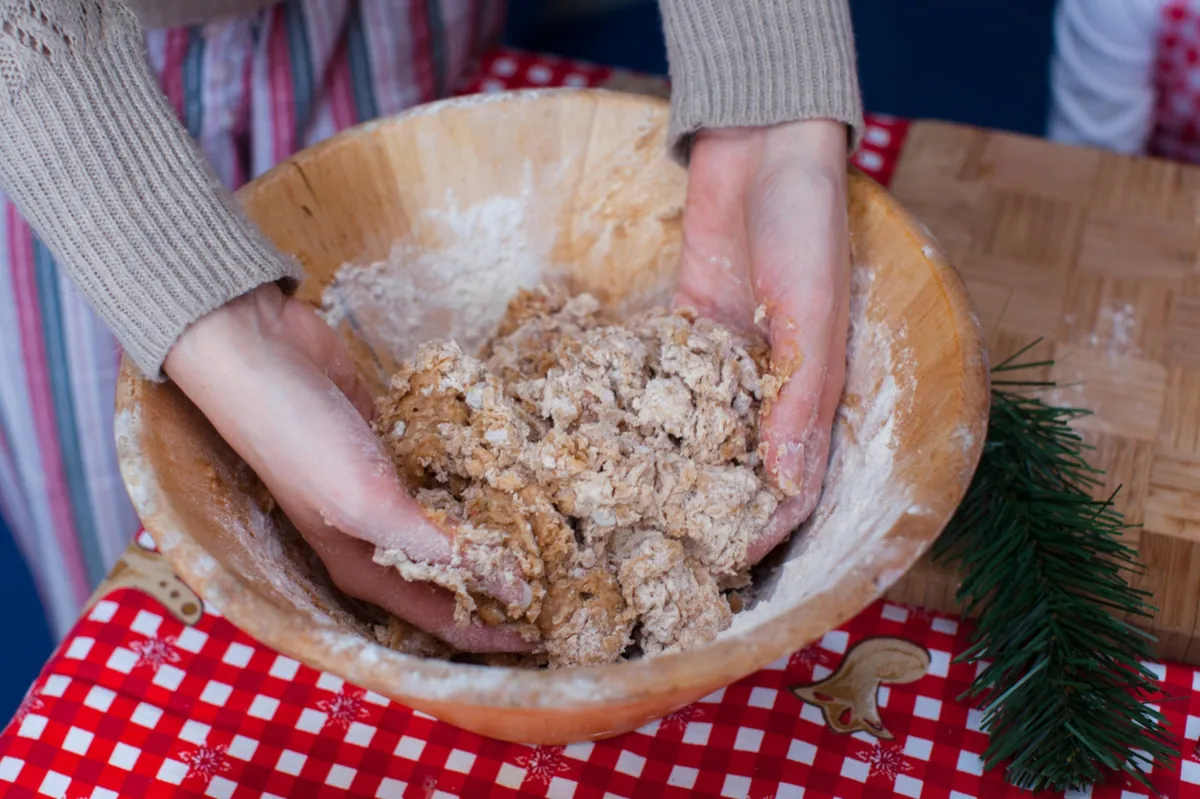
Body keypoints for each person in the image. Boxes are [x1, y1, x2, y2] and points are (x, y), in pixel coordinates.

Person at [0, 0, 863, 648]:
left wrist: (766, 87)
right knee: (149, 621)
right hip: (57, 114)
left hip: (378, 25)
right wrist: (207, 310)